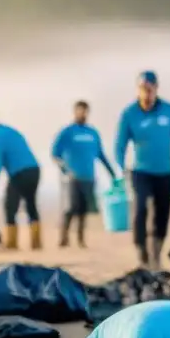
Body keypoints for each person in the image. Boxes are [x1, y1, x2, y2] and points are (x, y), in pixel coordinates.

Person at [115, 71, 170, 268]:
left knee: (162, 214)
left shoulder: (169, 111)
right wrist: (120, 169)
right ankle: (142, 256)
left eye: (150, 89)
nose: (147, 94)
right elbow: (120, 144)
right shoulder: (129, 113)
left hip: (165, 171)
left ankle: (156, 256)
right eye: (143, 89)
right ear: (138, 90)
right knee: (140, 211)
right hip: (140, 172)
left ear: (156, 88)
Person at [51, 100, 117, 248]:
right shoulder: (67, 132)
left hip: (89, 176)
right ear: (75, 111)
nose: (82, 113)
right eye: (80, 110)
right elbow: (55, 154)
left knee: (83, 209)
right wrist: (65, 170)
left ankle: (81, 239)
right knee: (71, 208)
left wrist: (112, 172)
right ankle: (64, 238)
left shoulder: (92, 133)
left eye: (85, 111)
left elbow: (101, 155)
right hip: (73, 178)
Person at [0, 108, 42, 250]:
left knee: (10, 207)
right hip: (34, 170)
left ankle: (12, 244)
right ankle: (36, 244)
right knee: (31, 205)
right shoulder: (9, 130)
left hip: (20, 173)